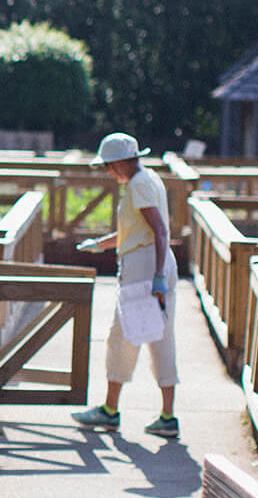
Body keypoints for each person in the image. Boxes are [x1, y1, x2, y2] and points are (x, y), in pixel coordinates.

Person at [70, 132, 180, 440]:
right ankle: (168, 416)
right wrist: (101, 244)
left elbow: (158, 231)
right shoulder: (149, 179)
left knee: (122, 337)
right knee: (160, 338)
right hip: (153, 264)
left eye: (108, 165)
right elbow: (141, 230)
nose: (107, 172)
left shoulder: (137, 185)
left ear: (121, 162)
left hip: (145, 269)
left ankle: (110, 410)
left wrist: (156, 275)